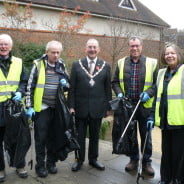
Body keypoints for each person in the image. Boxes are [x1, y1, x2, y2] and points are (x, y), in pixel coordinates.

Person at [112, 36, 158, 176]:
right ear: (129, 47)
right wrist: (119, 93)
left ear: (141, 47)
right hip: (128, 106)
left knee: (146, 135)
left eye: (137, 45)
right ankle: (133, 159)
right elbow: (114, 82)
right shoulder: (121, 63)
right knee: (131, 135)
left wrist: (149, 93)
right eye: (132, 46)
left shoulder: (152, 63)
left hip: (144, 106)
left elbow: (157, 84)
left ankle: (146, 162)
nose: (135, 48)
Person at [26, 40, 69, 178]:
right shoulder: (38, 65)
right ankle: (40, 166)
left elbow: (68, 83)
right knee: (40, 139)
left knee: (53, 137)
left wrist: (65, 83)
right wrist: (29, 106)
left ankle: (51, 163)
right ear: (47, 52)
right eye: (53, 52)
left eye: (58, 52)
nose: (56, 55)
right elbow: (29, 87)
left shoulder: (61, 65)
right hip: (42, 108)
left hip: (56, 108)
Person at [68, 38, 112, 172]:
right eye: (90, 47)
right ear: (85, 49)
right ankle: (79, 160)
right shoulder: (77, 65)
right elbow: (72, 88)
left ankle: (93, 159)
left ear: (98, 49)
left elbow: (107, 89)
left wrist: (108, 107)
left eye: (94, 47)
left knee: (94, 136)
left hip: (97, 108)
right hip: (80, 108)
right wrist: (71, 106)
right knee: (79, 137)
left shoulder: (105, 66)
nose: (92, 49)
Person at [147, 43, 184, 184]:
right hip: (165, 121)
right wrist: (151, 116)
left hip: (180, 122)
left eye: (172, 53)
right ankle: (165, 179)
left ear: (178, 55)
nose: (169, 56)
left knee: (179, 155)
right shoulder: (162, 73)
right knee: (166, 153)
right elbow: (157, 97)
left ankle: (177, 179)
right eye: (167, 53)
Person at [0, 34, 28, 182]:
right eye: (1, 44)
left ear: (10, 47)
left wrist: (20, 91)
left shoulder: (18, 62)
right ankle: (0, 169)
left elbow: (24, 80)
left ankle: (20, 165)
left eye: (5, 44)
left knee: (18, 138)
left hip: (14, 107)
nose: (3, 47)